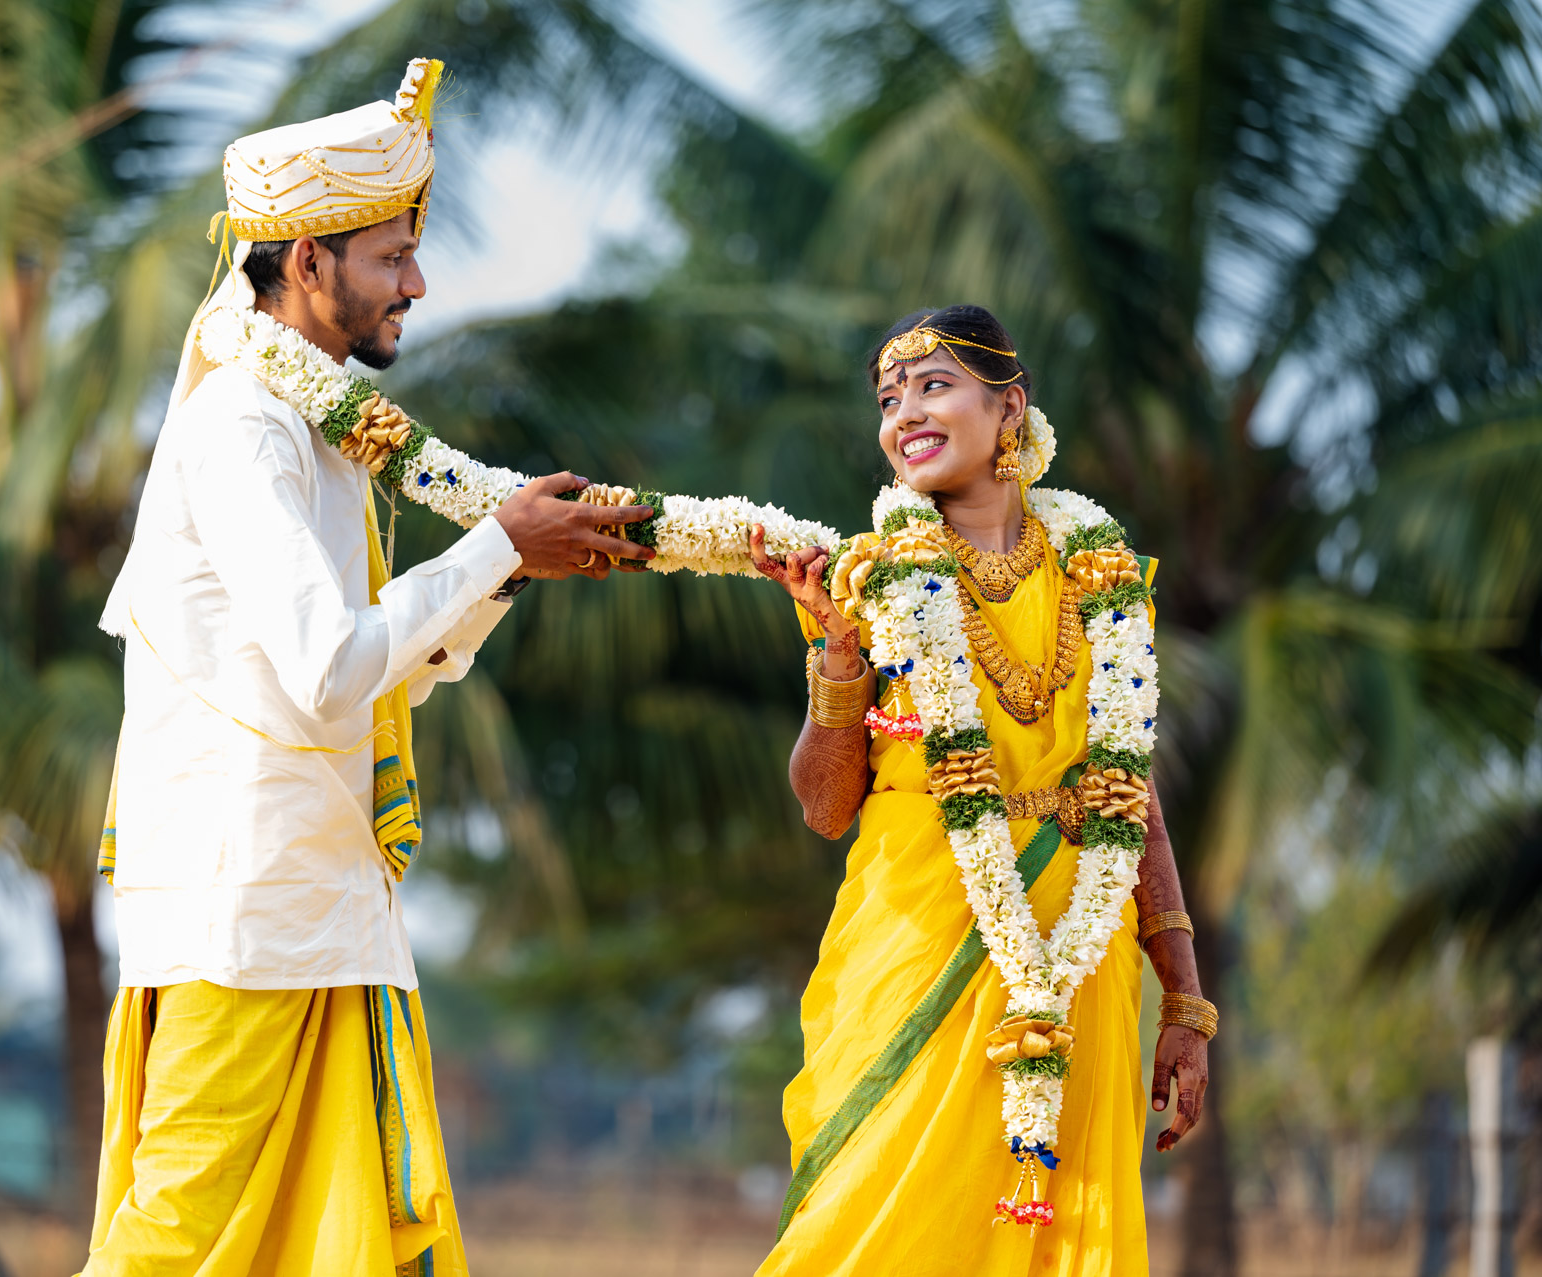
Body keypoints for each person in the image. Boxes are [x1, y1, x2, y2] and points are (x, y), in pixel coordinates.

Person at [82, 57, 652, 1276]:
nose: (418, 281)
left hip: (315, 903)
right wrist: (500, 540)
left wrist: (507, 568)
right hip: (249, 912)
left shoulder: (317, 424)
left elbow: (388, 659)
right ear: (307, 264)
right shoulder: (243, 425)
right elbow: (329, 665)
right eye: (393, 255)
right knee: (173, 1246)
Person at [746, 305, 1213, 1276]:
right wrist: (837, 651)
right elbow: (826, 804)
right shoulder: (871, 578)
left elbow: (1135, 798)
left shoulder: (1104, 577)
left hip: (1081, 968)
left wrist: (1186, 1001)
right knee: (868, 1227)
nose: (903, 411)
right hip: (917, 944)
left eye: (932, 385)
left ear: (1011, 408)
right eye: (887, 396)